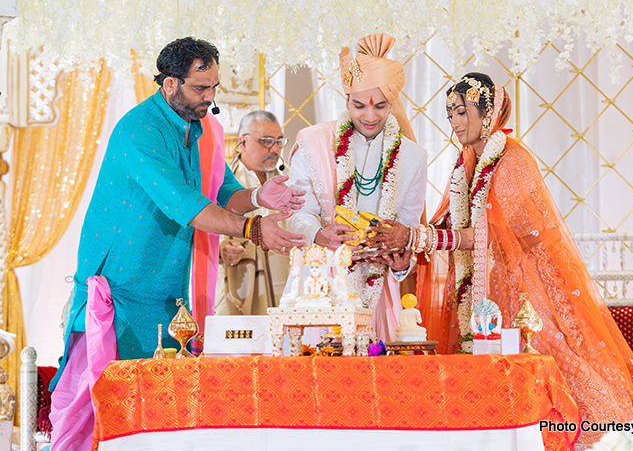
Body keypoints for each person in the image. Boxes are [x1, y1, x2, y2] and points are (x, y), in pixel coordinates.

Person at [49, 37, 306, 451]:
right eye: (200, 89)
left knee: (162, 415)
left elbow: (223, 190)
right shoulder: (139, 130)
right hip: (120, 294)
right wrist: (255, 230)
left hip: (169, 295)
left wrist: (260, 198)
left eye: (214, 88)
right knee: (112, 413)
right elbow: (184, 204)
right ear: (170, 84)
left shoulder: (198, 129)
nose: (210, 98)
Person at [373, 73, 633, 444]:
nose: (453, 121)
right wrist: (414, 239)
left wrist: (420, 237)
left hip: (527, 283)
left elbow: (489, 235)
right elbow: (452, 224)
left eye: (462, 111)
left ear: (488, 114)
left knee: (545, 361)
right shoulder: (465, 163)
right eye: (449, 113)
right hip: (488, 284)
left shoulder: (513, 159)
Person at [287, 33, 427, 342]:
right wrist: (319, 235)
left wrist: (403, 263)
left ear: (393, 103)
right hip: (320, 288)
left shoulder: (413, 157)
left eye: (380, 106)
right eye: (359, 105)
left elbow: (409, 227)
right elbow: (298, 213)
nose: (369, 116)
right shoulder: (312, 142)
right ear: (346, 99)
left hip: (380, 291)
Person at [214, 110, 291, 314]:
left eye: (279, 141)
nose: (275, 149)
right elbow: (200, 228)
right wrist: (221, 248)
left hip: (284, 289)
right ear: (243, 141)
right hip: (235, 287)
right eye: (266, 141)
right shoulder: (220, 181)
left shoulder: (289, 180)